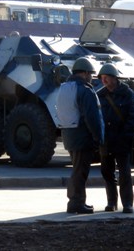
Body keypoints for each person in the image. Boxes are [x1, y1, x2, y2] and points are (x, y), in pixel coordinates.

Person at [56, 57, 104, 214]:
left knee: (77, 169)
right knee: (80, 171)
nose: (91, 77)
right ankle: (76, 203)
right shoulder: (85, 90)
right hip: (82, 136)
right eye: (90, 74)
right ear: (84, 73)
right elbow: (92, 117)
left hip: (69, 135)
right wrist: (98, 137)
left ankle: (76, 201)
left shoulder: (64, 88)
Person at [96, 63, 134, 214]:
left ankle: (127, 203)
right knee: (107, 172)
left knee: (125, 174)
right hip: (106, 141)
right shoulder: (100, 95)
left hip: (122, 140)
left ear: (114, 78)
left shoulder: (128, 94)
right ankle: (111, 202)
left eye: (107, 77)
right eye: (102, 78)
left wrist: (126, 136)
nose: (104, 81)